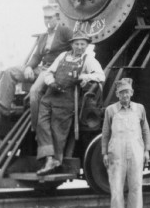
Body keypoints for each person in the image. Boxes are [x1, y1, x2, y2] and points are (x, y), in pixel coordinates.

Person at [35, 31, 105, 174]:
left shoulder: (88, 60)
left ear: (86, 46)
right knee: (42, 125)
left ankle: (54, 160)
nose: (79, 47)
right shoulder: (62, 56)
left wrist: (83, 76)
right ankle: (49, 157)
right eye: (77, 44)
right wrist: (51, 82)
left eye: (82, 44)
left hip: (67, 100)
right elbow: (49, 72)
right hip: (49, 96)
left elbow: (101, 76)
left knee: (58, 130)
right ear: (72, 44)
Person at [0, 3, 73, 112]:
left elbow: (76, 48)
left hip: (55, 71)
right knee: (10, 72)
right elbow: (37, 56)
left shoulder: (65, 32)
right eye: (45, 18)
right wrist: (28, 67)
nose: (47, 20)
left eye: (50, 17)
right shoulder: (43, 36)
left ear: (57, 17)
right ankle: (2, 107)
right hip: (42, 70)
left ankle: (35, 124)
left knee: (34, 91)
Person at [101, 78, 150, 208]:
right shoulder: (110, 110)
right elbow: (105, 133)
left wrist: (147, 150)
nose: (125, 95)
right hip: (116, 152)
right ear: (117, 94)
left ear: (132, 93)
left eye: (127, 92)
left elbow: (145, 130)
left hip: (136, 151)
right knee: (116, 184)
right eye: (121, 92)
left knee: (135, 184)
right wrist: (104, 153)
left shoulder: (140, 108)